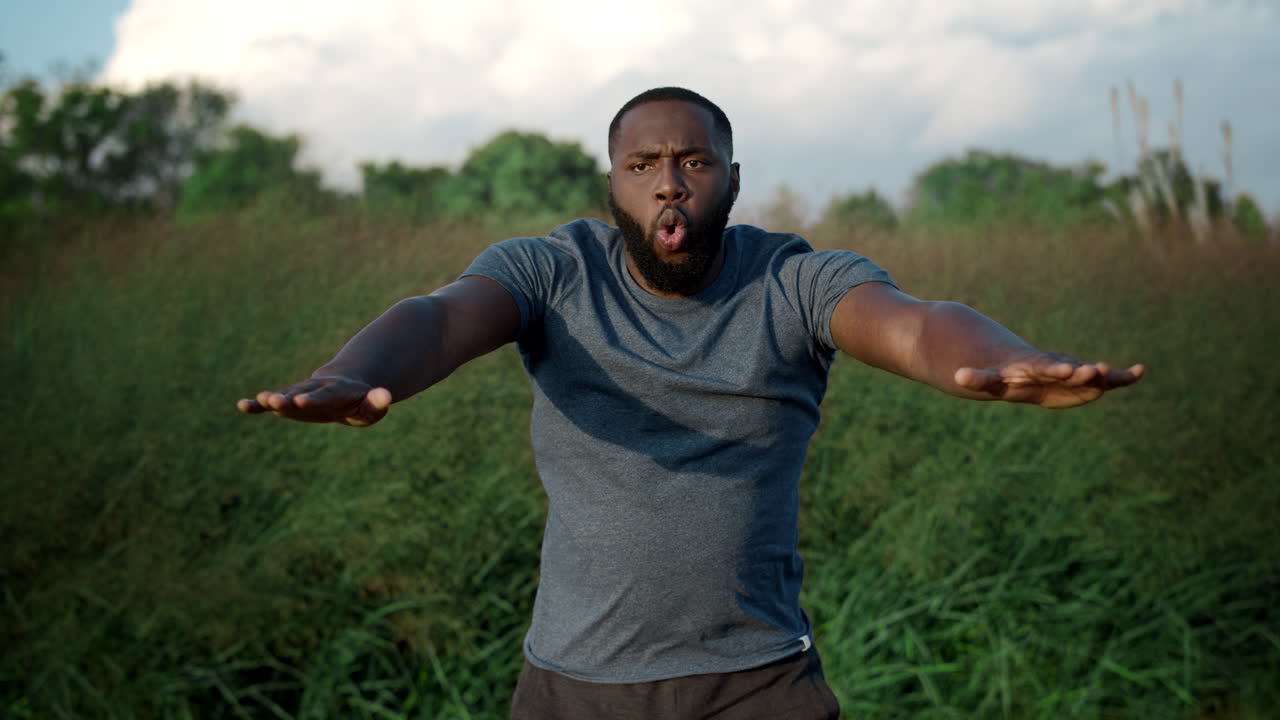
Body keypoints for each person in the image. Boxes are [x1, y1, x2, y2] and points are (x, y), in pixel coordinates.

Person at [238, 87, 1144, 719]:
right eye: (643, 164)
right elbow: (439, 319)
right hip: (573, 690)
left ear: (732, 182)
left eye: (692, 161)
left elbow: (913, 323)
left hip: (756, 687)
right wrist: (352, 374)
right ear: (613, 189)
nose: (669, 182)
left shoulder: (793, 280)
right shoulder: (553, 272)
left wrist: (999, 361)